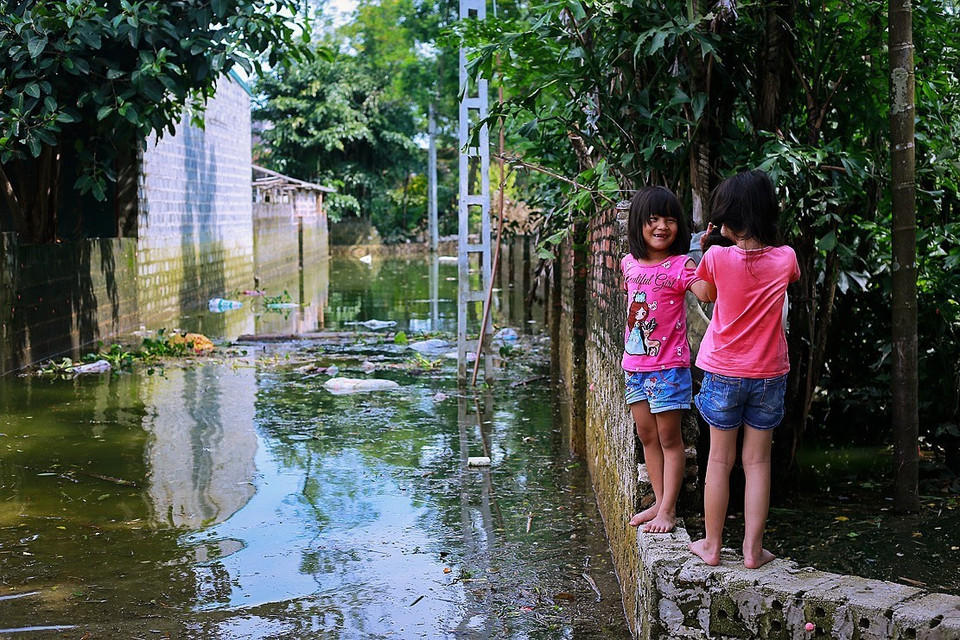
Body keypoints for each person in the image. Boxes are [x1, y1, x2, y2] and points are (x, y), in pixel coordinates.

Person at [688, 170, 801, 568]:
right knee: (757, 463)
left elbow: (706, 292)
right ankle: (753, 551)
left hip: (723, 373)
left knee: (719, 460)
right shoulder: (786, 258)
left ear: (728, 221)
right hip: (769, 374)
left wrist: (703, 252)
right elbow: (776, 275)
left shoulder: (716, 257)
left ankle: (713, 546)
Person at [622, 186, 712, 534]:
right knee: (647, 436)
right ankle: (659, 502)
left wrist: (710, 256)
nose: (662, 226)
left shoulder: (681, 264)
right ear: (639, 224)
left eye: (671, 220)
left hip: (670, 370)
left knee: (670, 439)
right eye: (654, 219)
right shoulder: (628, 264)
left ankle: (669, 510)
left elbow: (706, 293)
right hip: (635, 368)